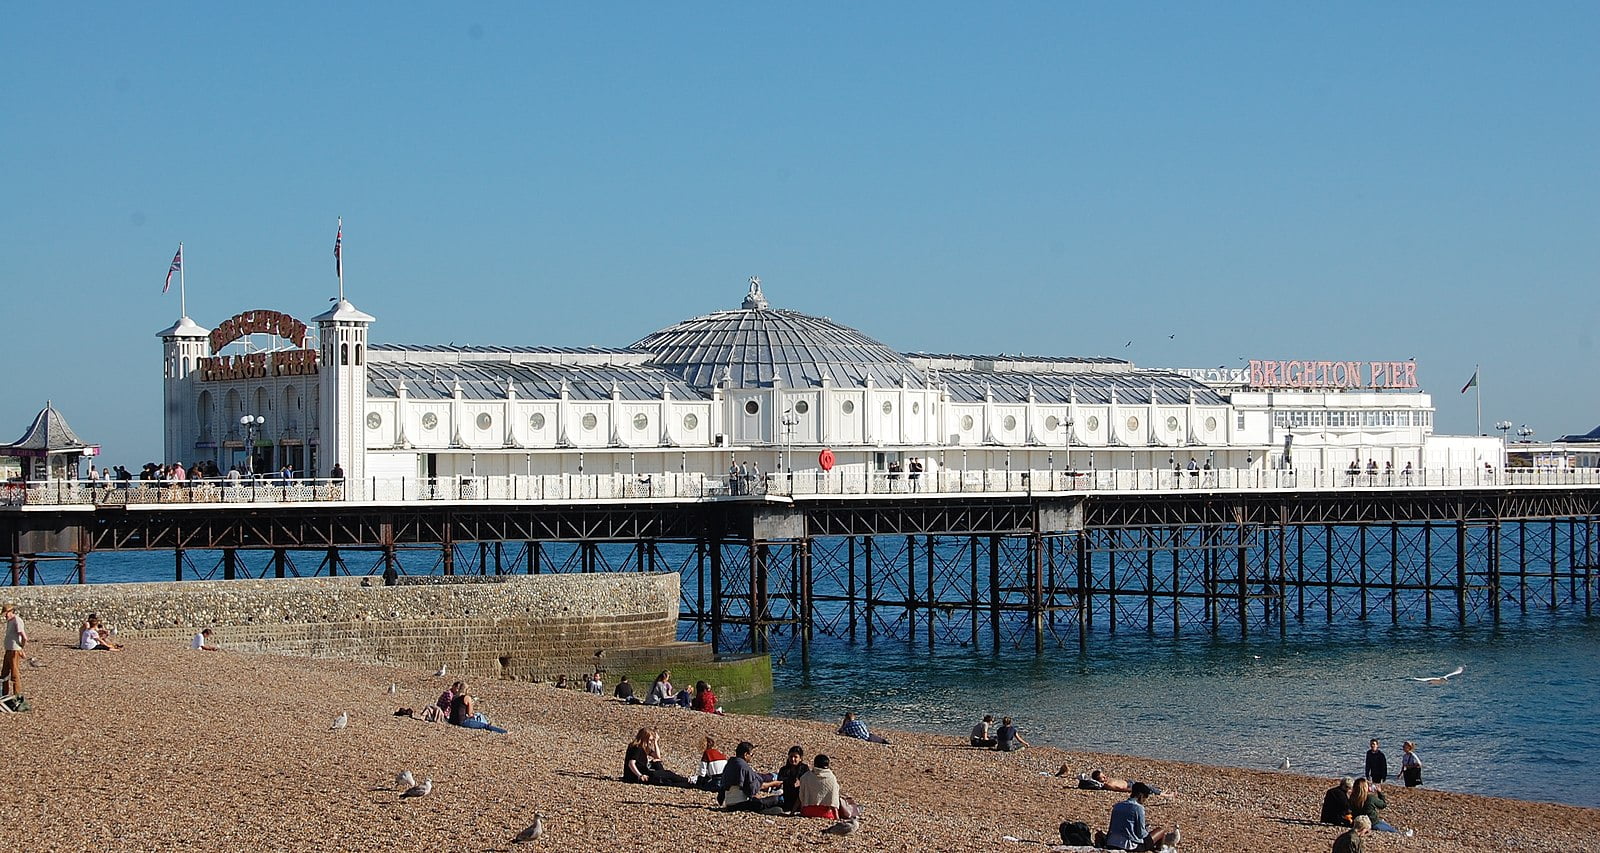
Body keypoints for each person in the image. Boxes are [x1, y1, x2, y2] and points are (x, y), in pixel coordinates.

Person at [1102, 782, 1173, 851]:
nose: (1144, 800)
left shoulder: (1117, 806)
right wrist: (1147, 833)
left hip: (1111, 842)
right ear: (1140, 795)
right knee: (1160, 831)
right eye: (1145, 797)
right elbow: (1141, 833)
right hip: (1129, 845)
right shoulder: (1138, 808)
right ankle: (1160, 850)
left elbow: (1111, 827)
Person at [719, 741, 782, 811]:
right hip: (740, 804)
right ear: (746, 754)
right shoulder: (743, 766)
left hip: (729, 802)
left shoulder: (730, 764)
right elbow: (755, 786)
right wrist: (774, 783)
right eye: (751, 755)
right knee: (775, 799)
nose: (752, 757)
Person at [623, 727, 690, 787]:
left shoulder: (644, 747)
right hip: (635, 776)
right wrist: (640, 775)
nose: (650, 742)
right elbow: (631, 763)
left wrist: (655, 742)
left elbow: (657, 756)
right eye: (649, 740)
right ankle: (687, 780)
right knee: (669, 774)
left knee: (657, 763)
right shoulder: (637, 747)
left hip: (643, 770)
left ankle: (663, 777)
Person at [797, 753, 841, 819]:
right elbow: (833, 800)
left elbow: (801, 796)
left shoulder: (805, 776)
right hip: (826, 814)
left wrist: (794, 812)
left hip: (807, 812)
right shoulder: (831, 778)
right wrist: (837, 818)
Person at [776, 745, 810, 812]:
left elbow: (808, 784)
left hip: (800, 800)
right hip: (787, 799)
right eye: (791, 756)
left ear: (800, 758)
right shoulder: (784, 769)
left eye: (795, 757)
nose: (793, 759)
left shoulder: (804, 769)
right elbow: (779, 782)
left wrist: (800, 783)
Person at [2, 603, 26, 697]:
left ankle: (17, 695)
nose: (5, 616)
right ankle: (4, 693)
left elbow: (24, 637)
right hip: (8, 649)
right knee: (4, 673)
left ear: (11, 612)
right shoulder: (10, 621)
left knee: (14, 673)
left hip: (14, 650)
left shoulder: (17, 620)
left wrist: (21, 648)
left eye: (6, 614)